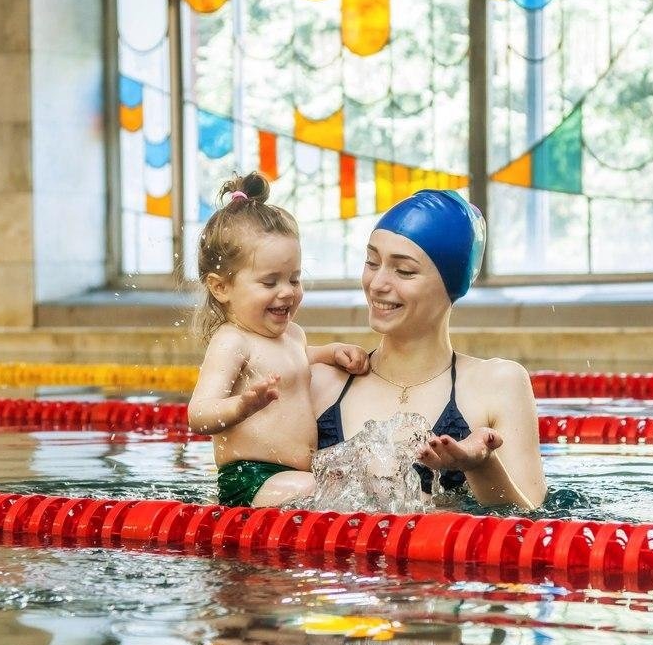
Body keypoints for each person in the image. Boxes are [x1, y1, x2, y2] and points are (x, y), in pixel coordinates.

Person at [312, 190, 547, 510]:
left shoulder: (498, 384)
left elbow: (530, 525)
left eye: (404, 271)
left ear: (450, 283)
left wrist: (479, 465)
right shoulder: (324, 383)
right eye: (372, 262)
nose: (377, 283)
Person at [188, 172, 369, 508]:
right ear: (221, 287)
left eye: (294, 279)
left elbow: (295, 361)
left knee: (354, 486)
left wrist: (331, 352)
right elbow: (198, 414)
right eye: (270, 282)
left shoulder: (292, 335)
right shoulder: (232, 341)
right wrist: (242, 406)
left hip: (293, 476)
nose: (287, 292)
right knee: (334, 495)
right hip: (250, 478)